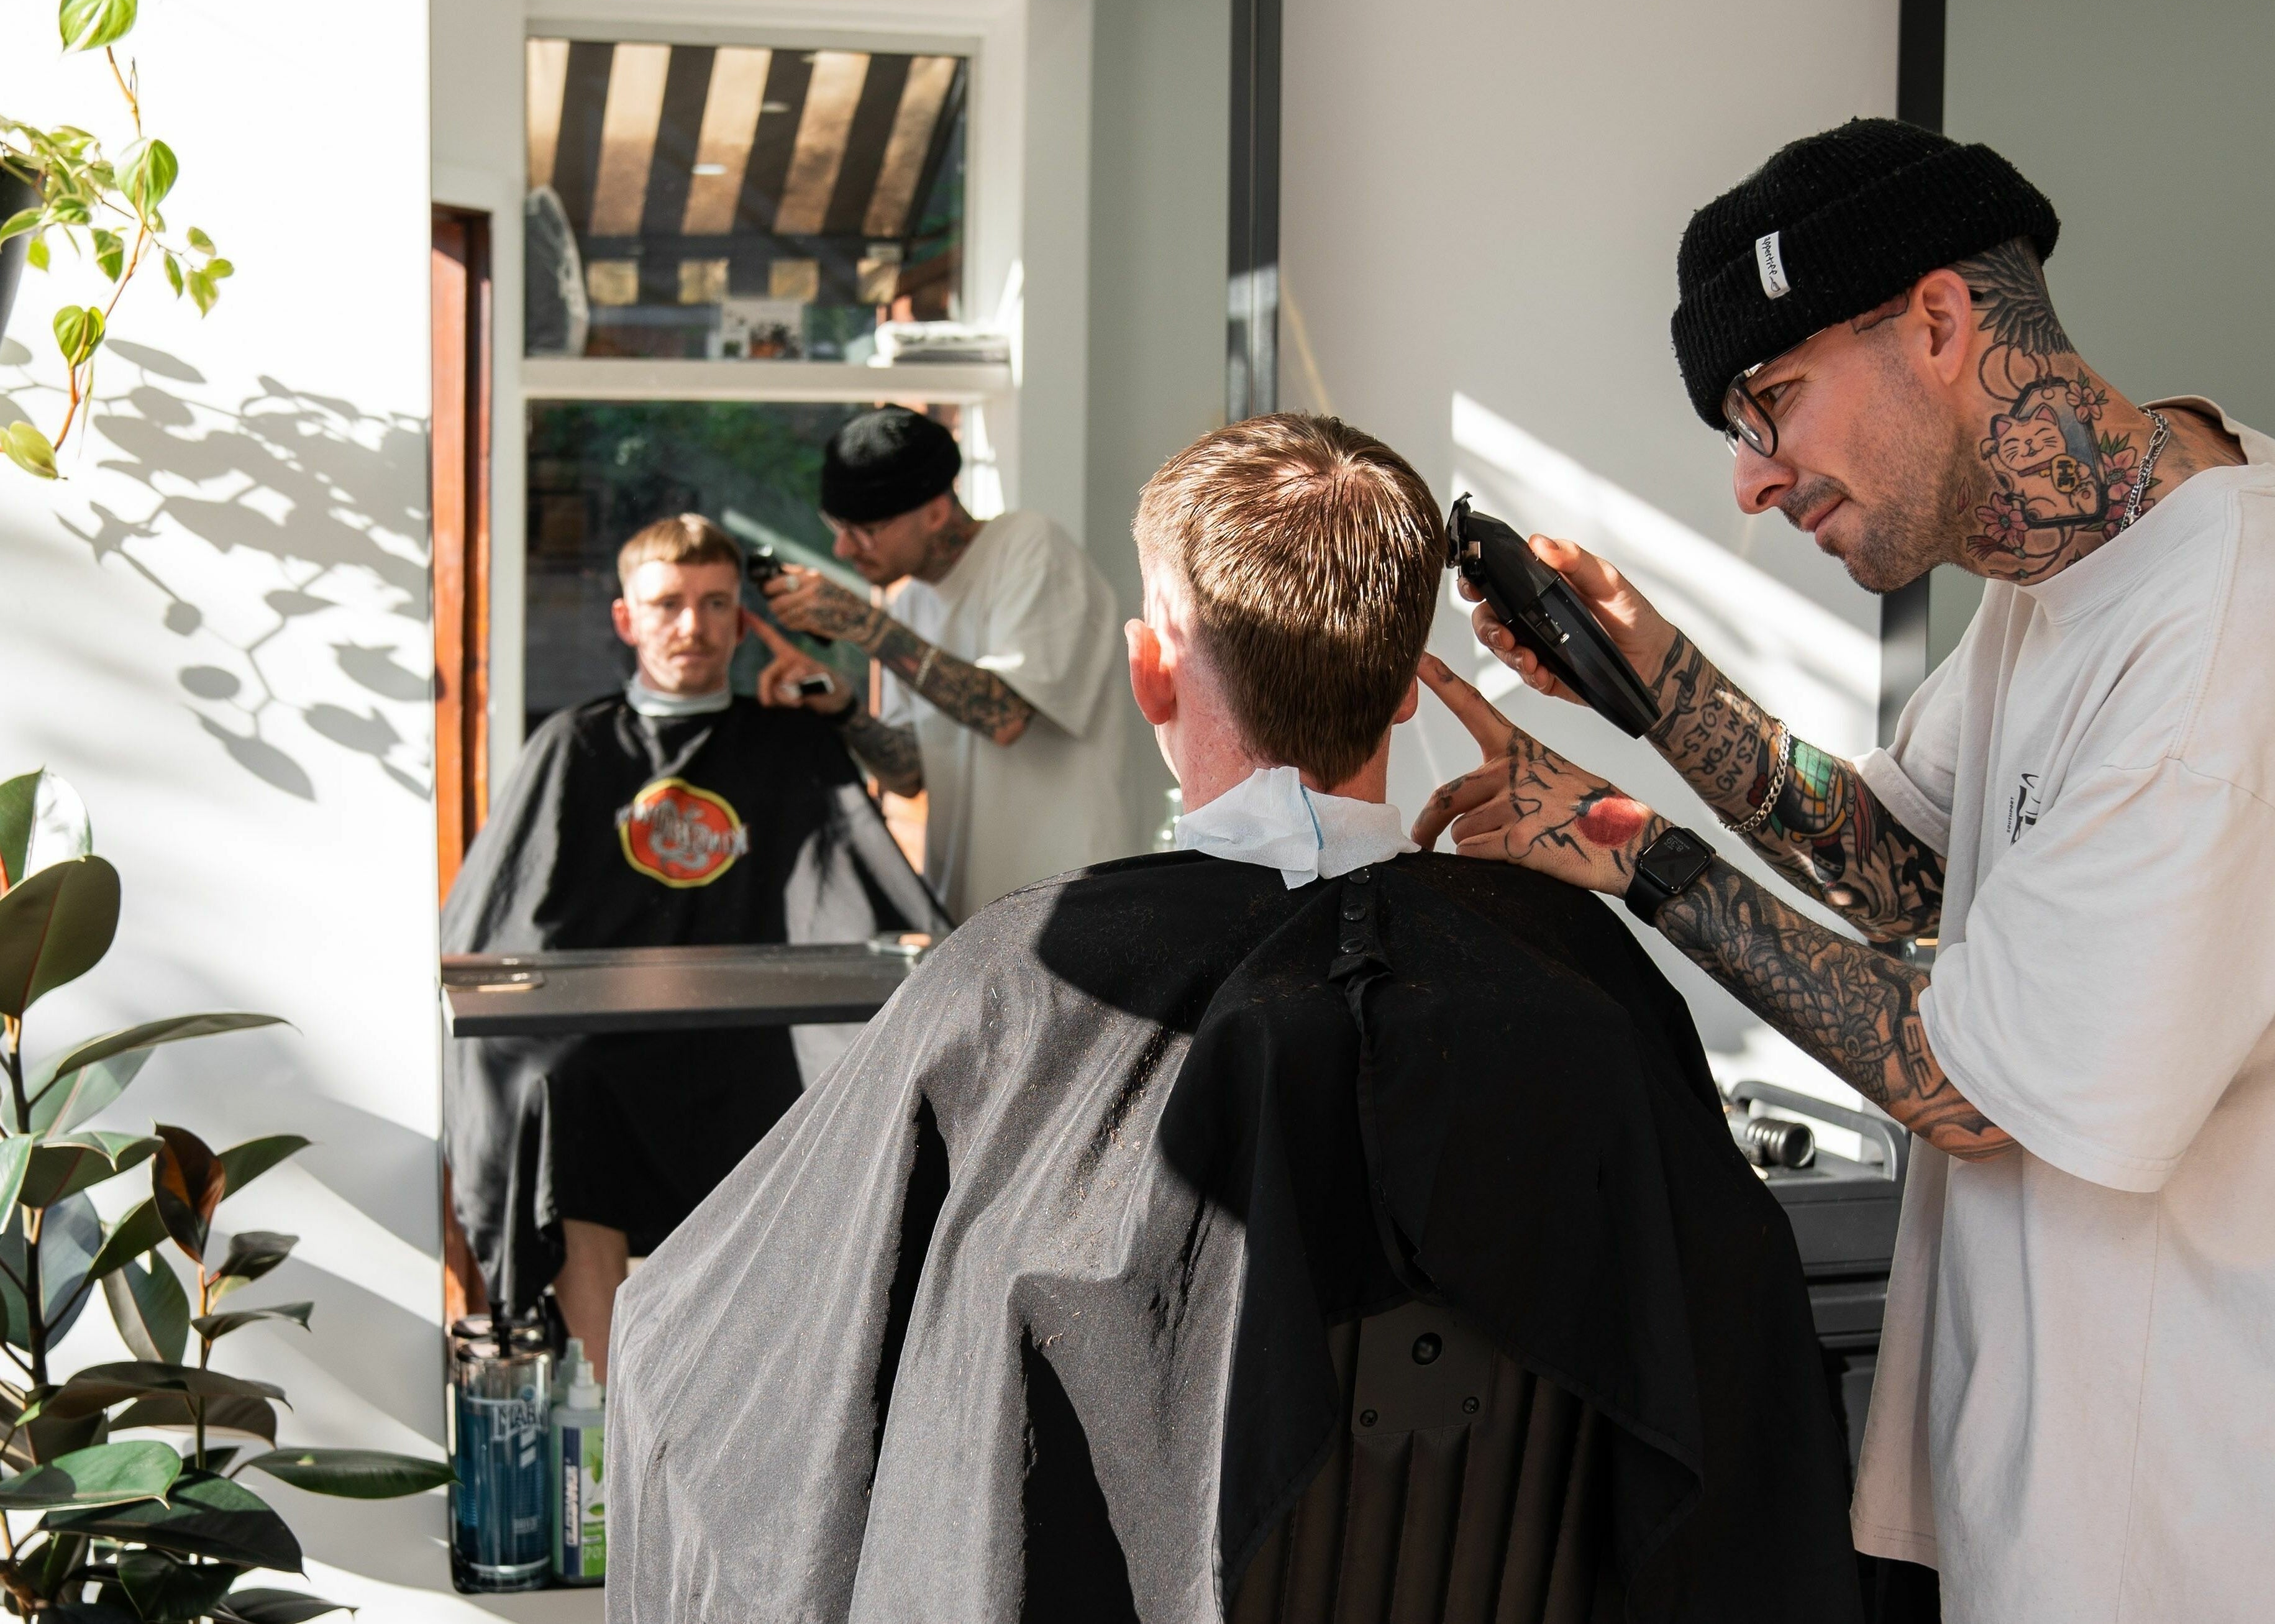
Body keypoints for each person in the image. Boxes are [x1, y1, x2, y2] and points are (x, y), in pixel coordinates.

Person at [605, 416, 1860, 1622]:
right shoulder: (1574, 971)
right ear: (1409, 688)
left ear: (1152, 671)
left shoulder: (1008, 978)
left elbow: (742, 1388)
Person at [1416, 119, 2275, 1623]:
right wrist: (1657, 679)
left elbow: (1978, 1088)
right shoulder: (2070, 576)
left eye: (1771, 403)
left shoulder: (2226, 629)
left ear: (1937, 320)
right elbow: (1896, 870)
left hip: (2181, 1532)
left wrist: (1632, 853)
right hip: (2047, 1499)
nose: (1754, 483)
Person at [442, 513, 945, 1377]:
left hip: (754, 1037)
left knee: (840, 1073)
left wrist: (827, 710)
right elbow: (498, 929)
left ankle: (788, 1384)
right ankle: (613, 1398)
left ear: (743, 620)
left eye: (717, 604)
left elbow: (857, 895)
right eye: (667, 604)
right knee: (555, 1089)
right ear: (626, 619)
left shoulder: (787, 741)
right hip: (613, 1045)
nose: (692, 626)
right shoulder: (576, 744)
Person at [756, 405, 1137, 920]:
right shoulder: (909, 605)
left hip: (1071, 901)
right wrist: (843, 707)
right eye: (836, 527)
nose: (843, 548)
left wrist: (861, 623)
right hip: (972, 911)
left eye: (864, 529)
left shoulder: (1029, 547)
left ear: (935, 512)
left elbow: (1005, 717)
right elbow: (907, 774)